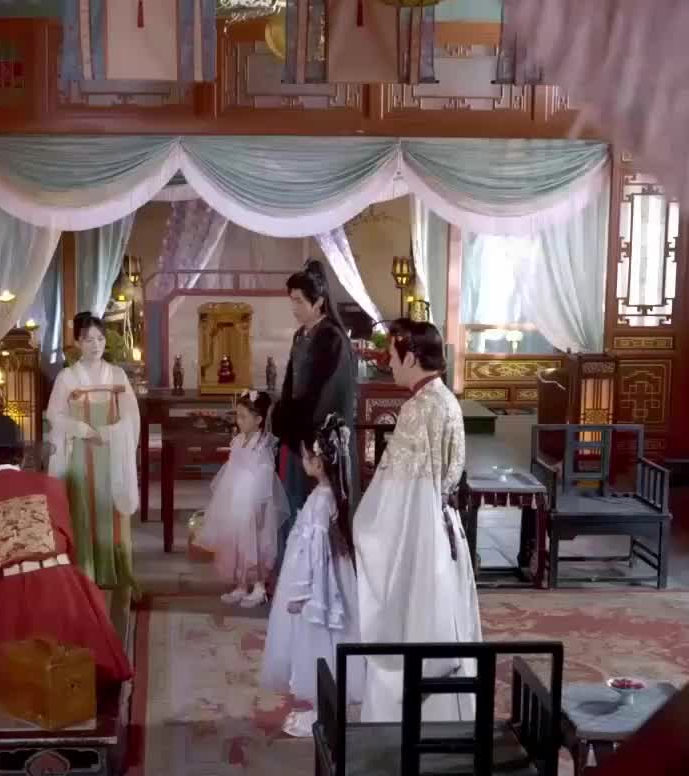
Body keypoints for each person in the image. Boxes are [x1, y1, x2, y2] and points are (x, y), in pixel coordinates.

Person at [0, 412, 132, 691]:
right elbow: (68, 541)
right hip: (62, 587)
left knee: (2, 670)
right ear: (20, 455)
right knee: (80, 662)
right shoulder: (50, 486)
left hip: (9, 596)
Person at [354, 319, 481, 723]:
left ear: (410, 357)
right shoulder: (446, 399)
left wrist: (363, 524)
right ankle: (448, 721)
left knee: (412, 624)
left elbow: (400, 490)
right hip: (444, 528)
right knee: (444, 623)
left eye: (392, 356)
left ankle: (403, 728)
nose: (389, 364)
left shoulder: (417, 408)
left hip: (420, 531)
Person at [260, 414, 359, 738]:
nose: (302, 461)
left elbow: (314, 553)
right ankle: (324, 707)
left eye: (305, 456)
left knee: (316, 640)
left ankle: (320, 710)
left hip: (318, 585)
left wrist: (301, 592)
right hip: (332, 577)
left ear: (318, 462)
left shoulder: (320, 501)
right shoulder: (332, 495)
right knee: (328, 640)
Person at [47, 311, 140, 592]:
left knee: (110, 508)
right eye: (88, 340)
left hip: (111, 452)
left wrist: (111, 432)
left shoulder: (117, 375)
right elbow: (54, 415)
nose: (95, 345)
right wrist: (82, 429)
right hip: (79, 452)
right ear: (77, 342)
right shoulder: (67, 377)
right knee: (82, 510)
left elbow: (131, 416)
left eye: (100, 339)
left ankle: (117, 573)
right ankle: (84, 575)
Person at [270, 258, 357, 527]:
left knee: (318, 515)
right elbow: (290, 384)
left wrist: (310, 438)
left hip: (318, 437)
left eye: (299, 301)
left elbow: (330, 393)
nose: (294, 308)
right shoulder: (300, 335)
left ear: (318, 301)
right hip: (297, 433)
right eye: (292, 300)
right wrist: (283, 418)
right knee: (294, 504)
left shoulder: (332, 338)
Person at [193, 388, 289, 608]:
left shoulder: (263, 444)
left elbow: (265, 473)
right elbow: (231, 468)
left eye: (244, 417)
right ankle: (241, 584)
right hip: (236, 496)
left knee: (255, 543)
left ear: (258, 420)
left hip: (255, 499)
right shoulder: (238, 441)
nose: (239, 421)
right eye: (238, 415)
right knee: (237, 542)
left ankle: (259, 587)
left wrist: (259, 503)